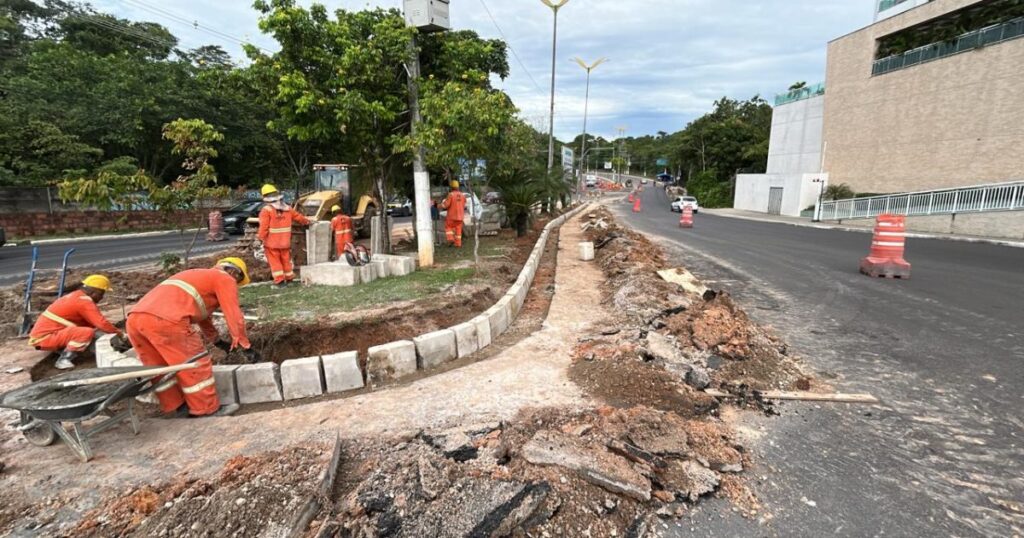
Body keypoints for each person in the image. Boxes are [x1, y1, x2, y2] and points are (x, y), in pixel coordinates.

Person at [126, 258, 255, 418]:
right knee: (195, 364)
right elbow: (233, 313)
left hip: (134, 320)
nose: (235, 284)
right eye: (238, 281)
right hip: (166, 321)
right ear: (233, 272)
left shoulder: (197, 277)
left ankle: (178, 406)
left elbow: (203, 316)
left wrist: (217, 341)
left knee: (159, 367)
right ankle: (206, 409)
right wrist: (243, 342)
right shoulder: (224, 278)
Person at [29, 274, 123, 370]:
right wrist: (120, 334)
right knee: (86, 332)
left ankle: (65, 351)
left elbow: (93, 324)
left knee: (89, 330)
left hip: (47, 336)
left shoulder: (76, 296)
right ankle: (63, 360)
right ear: (95, 292)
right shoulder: (83, 302)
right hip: (44, 339)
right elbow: (101, 323)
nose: (102, 297)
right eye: (102, 294)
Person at [257, 184, 309, 288]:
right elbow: (299, 218)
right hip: (285, 242)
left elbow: (263, 228)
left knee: (275, 262)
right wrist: (308, 222)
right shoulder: (287, 208)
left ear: (265, 197)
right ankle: (289, 279)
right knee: (286, 261)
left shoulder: (266, 210)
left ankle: (280, 282)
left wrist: (260, 239)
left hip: (271, 243)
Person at [440, 180, 467, 248]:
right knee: (458, 230)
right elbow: (464, 204)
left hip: (452, 216)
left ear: (451, 187)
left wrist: (439, 205)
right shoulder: (462, 195)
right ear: (458, 187)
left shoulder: (451, 195)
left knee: (448, 227)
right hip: (460, 217)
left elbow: (446, 205)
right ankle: (458, 244)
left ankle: (450, 239)